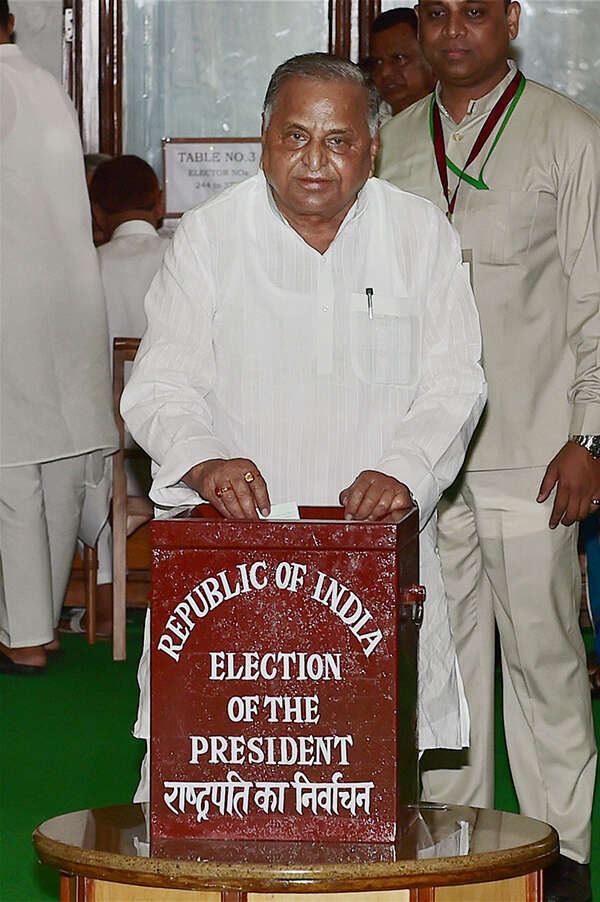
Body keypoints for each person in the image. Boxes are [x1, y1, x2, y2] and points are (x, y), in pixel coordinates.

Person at [121, 51, 486, 800]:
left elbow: (456, 382)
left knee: (362, 787)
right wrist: (203, 461)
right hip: (233, 562)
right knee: (209, 780)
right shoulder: (211, 236)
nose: (315, 160)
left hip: (371, 559)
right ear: (263, 140)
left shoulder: (419, 234)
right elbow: (160, 385)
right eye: (295, 137)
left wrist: (404, 469)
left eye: (338, 140)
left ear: (372, 148)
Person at [377, 3, 599, 899]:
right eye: (436, 12)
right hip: (424, 465)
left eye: (475, 10)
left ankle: (560, 856)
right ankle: (460, 855)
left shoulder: (568, 133)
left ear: (511, 18)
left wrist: (589, 434)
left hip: (534, 452)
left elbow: (595, 295)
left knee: (544, 665)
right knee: (442, 672)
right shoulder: (393, 140)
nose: (453, 30)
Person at [0, 0, 117, 673]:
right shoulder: (45, 83)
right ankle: (37, 625)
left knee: (12, 467)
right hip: (67, 297)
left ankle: (22, 635)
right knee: (55, 466)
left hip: (12, 298)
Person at [63, 155, 169, 637]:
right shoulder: (182, 256)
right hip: (175, 431)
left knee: (85, 459)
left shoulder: (85, 268)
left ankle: (102, 604)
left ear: (97, 212)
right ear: (159, 203)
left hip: (109, 433)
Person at [367, 8, 436, 117]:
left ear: (432, 60)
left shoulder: (456, 120)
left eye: (398, 59)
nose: (385, 72)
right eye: (378, 62)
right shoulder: (364, 120)